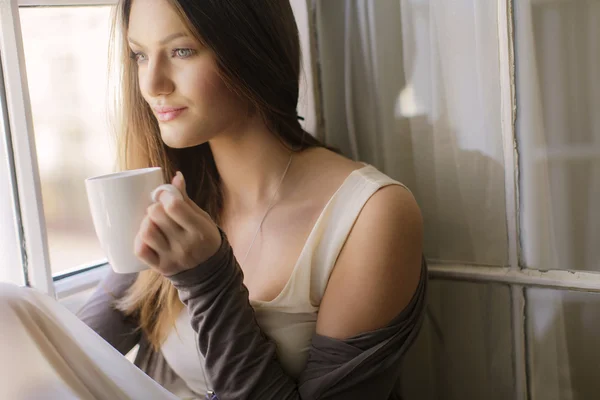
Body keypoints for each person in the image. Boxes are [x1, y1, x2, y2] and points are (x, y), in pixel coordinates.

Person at [0, 0, 427, 399]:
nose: (152, 85)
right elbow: (71, 356)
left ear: (251, 49)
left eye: (182, 51)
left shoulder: (372, 216)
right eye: (139, 55)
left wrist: (208, 280)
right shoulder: (177, 193)